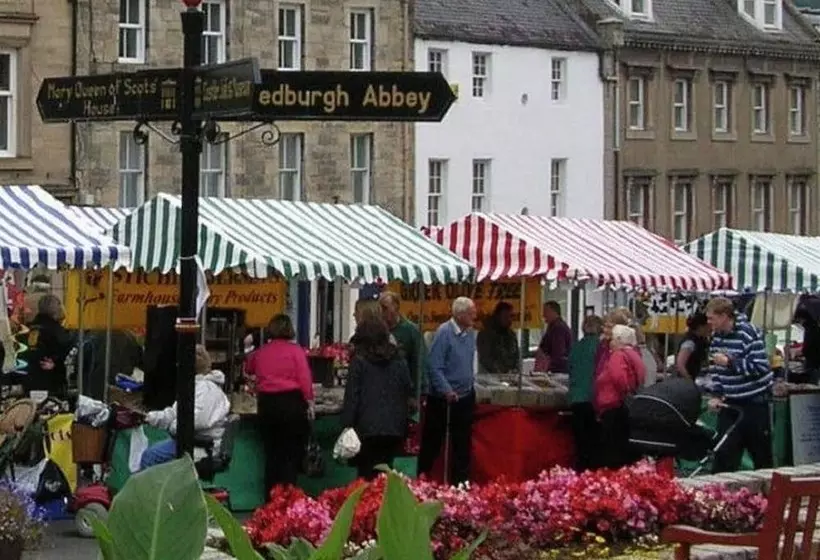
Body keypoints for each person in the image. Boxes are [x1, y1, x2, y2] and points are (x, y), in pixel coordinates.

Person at [245, 314, 315, 495]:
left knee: (272, 455)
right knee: (290, 456)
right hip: (292, 404)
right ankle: (288, 498)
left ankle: (270, 499)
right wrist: (309, 401)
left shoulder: (262, 352)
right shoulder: (296, 351)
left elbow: (248, 368)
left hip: (268, 405)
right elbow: (305, 378)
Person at [704, 297, 774, 473]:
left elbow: (761, 367)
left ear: (724, 316)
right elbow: (715, 370)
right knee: (724, 454)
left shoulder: (748, 333)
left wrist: (730, 362)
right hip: (730, 403)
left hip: (754, 403)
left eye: (712, 318)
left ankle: (767, 494)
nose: (708, 322)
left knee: (761, 455)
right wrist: (715, 394)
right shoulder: (716, 338)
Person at [341, 316, 412, 480]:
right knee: (385, 473)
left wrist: (347, 424)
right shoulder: (399, 360)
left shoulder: (359, 362)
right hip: (394, 428)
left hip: (366, 429)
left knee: (365, 475)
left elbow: (352, 396)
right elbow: (407, 388)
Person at [139, 345, 230, 469]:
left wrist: (172, 427)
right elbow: (175, 412)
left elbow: (196, 420)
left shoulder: (206, 389)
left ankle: (150, 489)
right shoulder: (195, 386)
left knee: (150, 456)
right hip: (191, 442)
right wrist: (148, 417)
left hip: (199, 446)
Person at [418, 297, 477, 485]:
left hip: (465, 396)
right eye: (471, 312)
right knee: (433, 442)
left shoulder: (470, 334)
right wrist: (446, 389)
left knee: (462, 445)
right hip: (444, 400)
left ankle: (460, 484)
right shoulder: (444, 333)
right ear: (460, 314)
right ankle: (423, 478)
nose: (474, 315)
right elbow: (434, 366)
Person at [593, 324, 646, 469]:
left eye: (613, 339)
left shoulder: (618, 355)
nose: (610, 342)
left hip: (613, 406)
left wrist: (625, 392)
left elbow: (618, 378)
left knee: (612, 450)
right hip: (623, 406)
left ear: (619, 339)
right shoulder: (634, 354)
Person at [567, 314, 603, 471]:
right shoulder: (601, 348)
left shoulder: (575, 347)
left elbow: (570, 370)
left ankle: (580, 474)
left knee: (580, 443)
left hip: (575, 399)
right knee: (594, 443)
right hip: (593, 399)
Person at [378, 291, 425, 405]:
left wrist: (415, 394)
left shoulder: (411, 331)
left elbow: (419, 364)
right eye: (380, 309)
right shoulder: (378, 330)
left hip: (403, 392)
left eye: (385, 308)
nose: (382, 313)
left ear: (396, 307)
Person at [24, 294, 73, 397]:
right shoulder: (56, 331)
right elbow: (66, 350)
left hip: (29, 381)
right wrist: (56, 363)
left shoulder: (30, 328)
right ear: (57, 309)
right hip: (51, 383)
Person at [476, 301, 519, 374]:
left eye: (511, 316)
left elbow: (516, 356)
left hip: (510, 377)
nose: (509, 320)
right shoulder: (485, 334)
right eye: (505, 316)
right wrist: (500, 372)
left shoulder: (511, 334)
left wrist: (515, 370)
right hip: (490, 378)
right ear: (498, 316)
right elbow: (486, 359)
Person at [535, 301, 573, 373]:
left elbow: (558, 352)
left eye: (545, 311)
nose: (543, 315)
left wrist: (547, 364)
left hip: (557, 371)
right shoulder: (555, 326)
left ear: (553, 312)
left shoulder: (558, 328)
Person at [595, 307, 632, 378]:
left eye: (609, 327)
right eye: (604, 326)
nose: (605, 330)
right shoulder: (603, 345)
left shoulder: (627, 350)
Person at [792, 296, 820, 384]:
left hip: (814, 363)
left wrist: (801, 351)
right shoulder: (812, 319)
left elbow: (810, 346)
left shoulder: (811, 325)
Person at [675, 312, 711, 379]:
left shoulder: (701, 340)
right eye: (707, 326)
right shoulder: (690, 342)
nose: (710, 328)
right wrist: (689, 379)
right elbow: (680, 364)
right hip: (686, 382)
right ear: (700, 327)